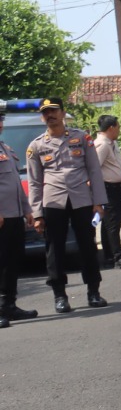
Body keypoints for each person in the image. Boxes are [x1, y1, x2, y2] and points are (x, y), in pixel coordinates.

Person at [26, 98, 108, 313]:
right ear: (42, 117)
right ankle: (60, 295)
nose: (50, 115)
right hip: (53, 201)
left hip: (82, 199)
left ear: (63, 113)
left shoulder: (82, 138)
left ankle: (93, 291)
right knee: (55, 250)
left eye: (53, 111)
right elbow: (34, 182)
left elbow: (94, 171)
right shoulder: (36, 146)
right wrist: (37, 213)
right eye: (46, 113)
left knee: (87, 246)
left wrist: (98, 202)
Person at [0, 106, 39, 328]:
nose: (0, 124)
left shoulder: (6, 148)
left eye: (1, 120)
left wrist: (26, 210)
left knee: (11, 263)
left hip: (14, 216)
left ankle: (9, 306)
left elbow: (15, 183)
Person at [95, 115, 121, 270]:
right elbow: (94, 169)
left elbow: (117, 166)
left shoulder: (111, 143)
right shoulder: (102, 145)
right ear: (111, 128)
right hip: (108, 189)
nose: (119, 130)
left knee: (110, 224)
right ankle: (118, 257)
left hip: (117, 188)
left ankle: (110, 256)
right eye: (118, 127)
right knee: (112, 225)